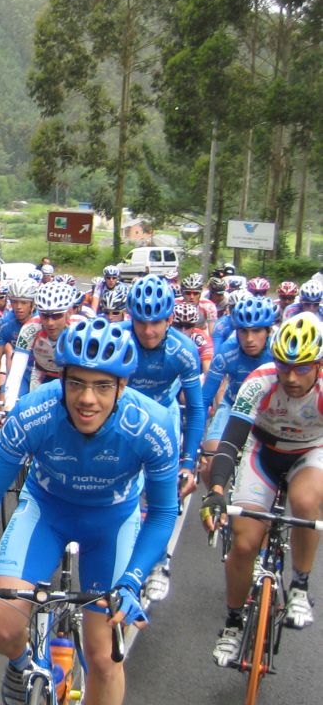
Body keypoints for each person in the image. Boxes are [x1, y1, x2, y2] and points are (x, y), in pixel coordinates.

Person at [0, 318, 179, 705]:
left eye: (102, 386)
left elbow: (162, 513)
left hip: (112, 525)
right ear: (62, 379)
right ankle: (20, 665)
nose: (87, 399)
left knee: (103, 656)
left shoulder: (152, 425)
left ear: (123, 386)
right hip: (46, 512)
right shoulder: (34, 412)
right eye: (76, 383)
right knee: (1, 623)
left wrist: (133, 580)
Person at [204, 313, 323, 663]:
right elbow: (231, 442)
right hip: (262, 453)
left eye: (302, 368)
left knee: (306, 502)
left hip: (309, 452)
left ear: (318, 365)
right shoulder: (260, 380)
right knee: (244, 544)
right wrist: (216, 490)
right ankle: (233, 623)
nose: (291, 377)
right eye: (284, 366)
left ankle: (300, 585)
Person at [122, 275, 204, 602]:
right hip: (124, 413)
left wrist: (189, 462)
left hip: (163, 416)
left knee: (163, 495)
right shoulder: (119, 340)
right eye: (141, 321)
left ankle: (159, 562)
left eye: (156, 322)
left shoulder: (183, 350)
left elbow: (196, 408)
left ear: (170, 319)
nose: (148, 331)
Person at [197, 296, 276, 487]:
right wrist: (197, 440)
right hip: (233, 405)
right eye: (243, 331)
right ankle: (214, 501)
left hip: (269, 412)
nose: (249, 339)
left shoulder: (277, 352)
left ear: (268, 331)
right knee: (210, 463)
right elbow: (204, 399)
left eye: (256, 330)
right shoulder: (226, 352)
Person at [0, 278, 37, 401]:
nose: (18, 307)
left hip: (41, 372)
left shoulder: (42, 321)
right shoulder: (5, 323)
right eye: (14, 302)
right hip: (20, 373)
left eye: (24, 302)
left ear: (33, 303)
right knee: (5, 404)